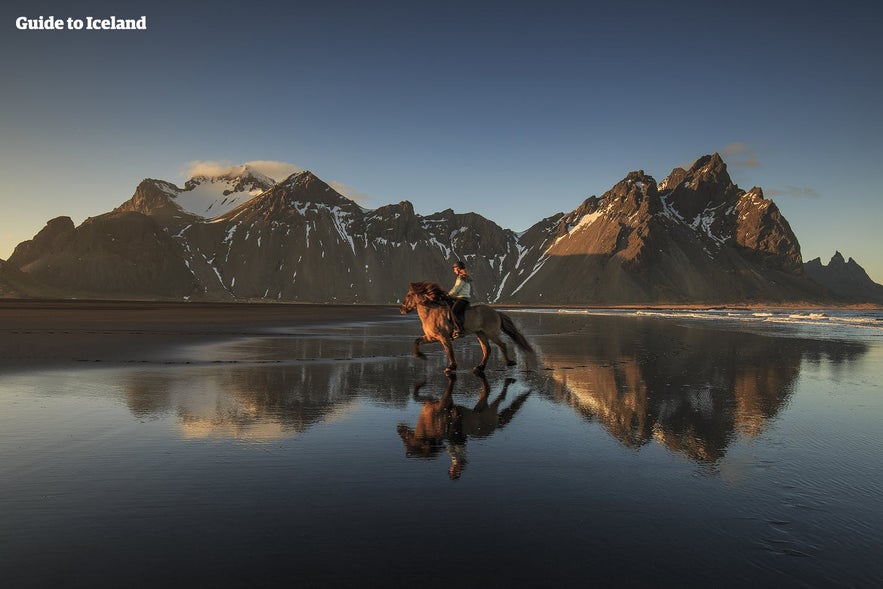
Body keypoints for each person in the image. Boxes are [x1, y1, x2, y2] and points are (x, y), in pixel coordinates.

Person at [448, 260, 473, 339]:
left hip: (462, 299)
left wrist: (448, 295)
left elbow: (456, 289)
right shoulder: (465, 277)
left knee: (453, 311)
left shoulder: (461, 277)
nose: (454, 270)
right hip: (463, 298)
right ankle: (452, 330)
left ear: (458, 269)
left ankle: (460, 330)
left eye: (454, 269)